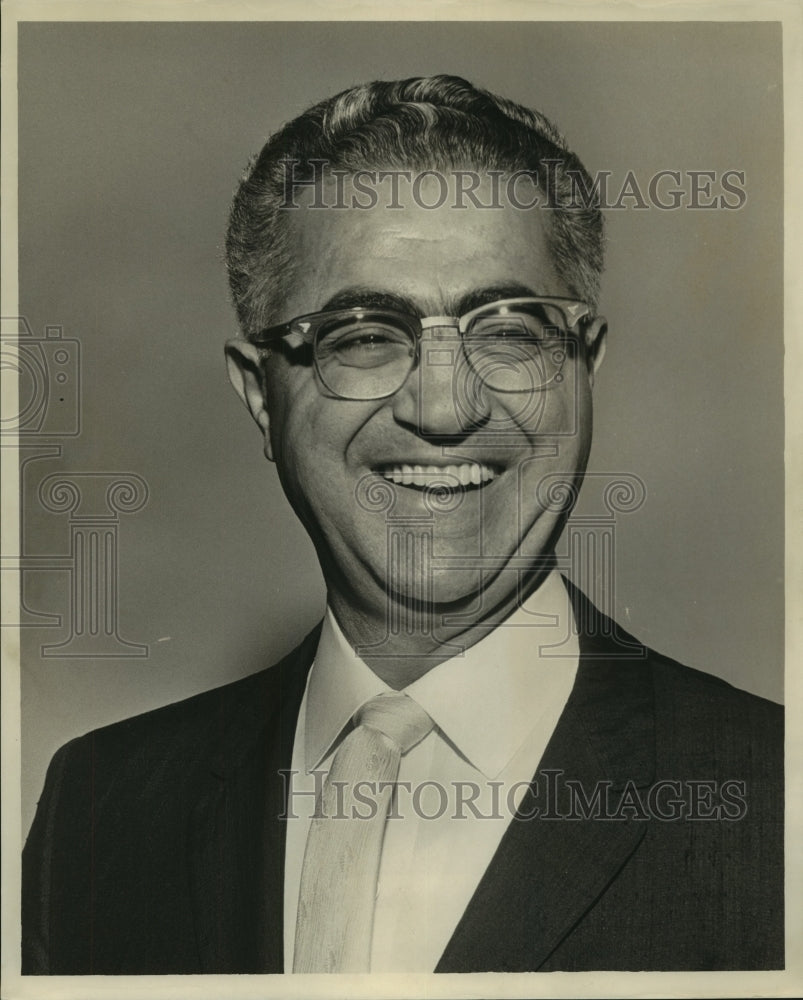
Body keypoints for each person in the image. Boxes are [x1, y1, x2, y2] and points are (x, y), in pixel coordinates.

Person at [22, 75, 783, 975]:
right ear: (259, 395)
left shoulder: (776, 804)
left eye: (508, 330)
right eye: (364, 334)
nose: (444, 404)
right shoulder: (103, 811)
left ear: (583, 365)